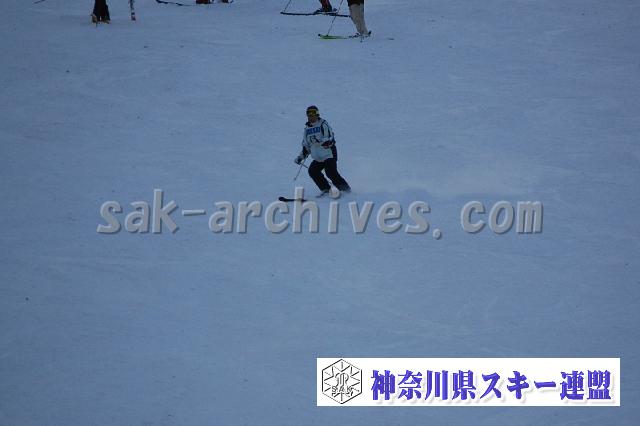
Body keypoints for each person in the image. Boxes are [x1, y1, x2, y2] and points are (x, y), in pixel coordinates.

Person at [294, 106, 351, 196]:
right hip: (318, 157)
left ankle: (345, 190)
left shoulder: (322, 124)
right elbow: (306, 146)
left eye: (313, 114)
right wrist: (301, 157)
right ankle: (326, 189)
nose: (311, 116)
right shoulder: (307, 129)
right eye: (309, 114)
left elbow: (330, 137)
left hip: (328, 154)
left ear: (317, 115)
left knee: (330, 172)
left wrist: (327, 142)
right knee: (313, 171)